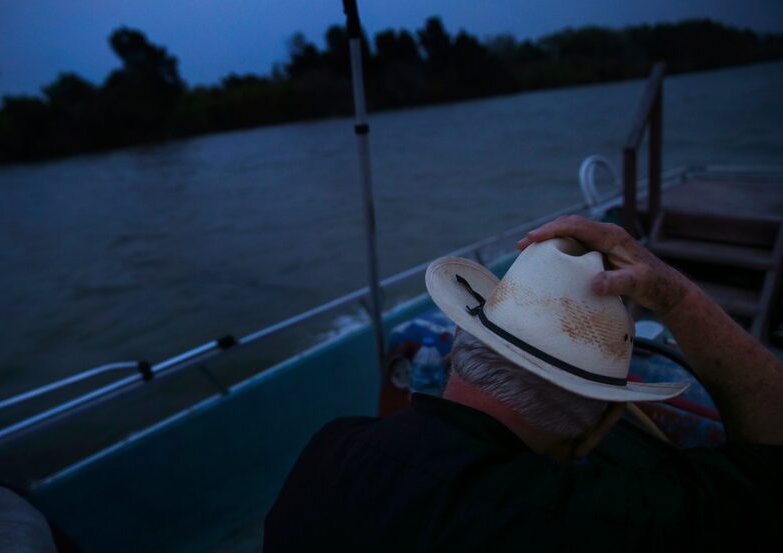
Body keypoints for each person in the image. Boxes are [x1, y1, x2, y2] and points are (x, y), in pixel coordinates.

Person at [264, 216, 783, 552]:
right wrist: (676, 298)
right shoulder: (614, 521)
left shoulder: (329, 451)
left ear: (455, 353)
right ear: (602, 427)